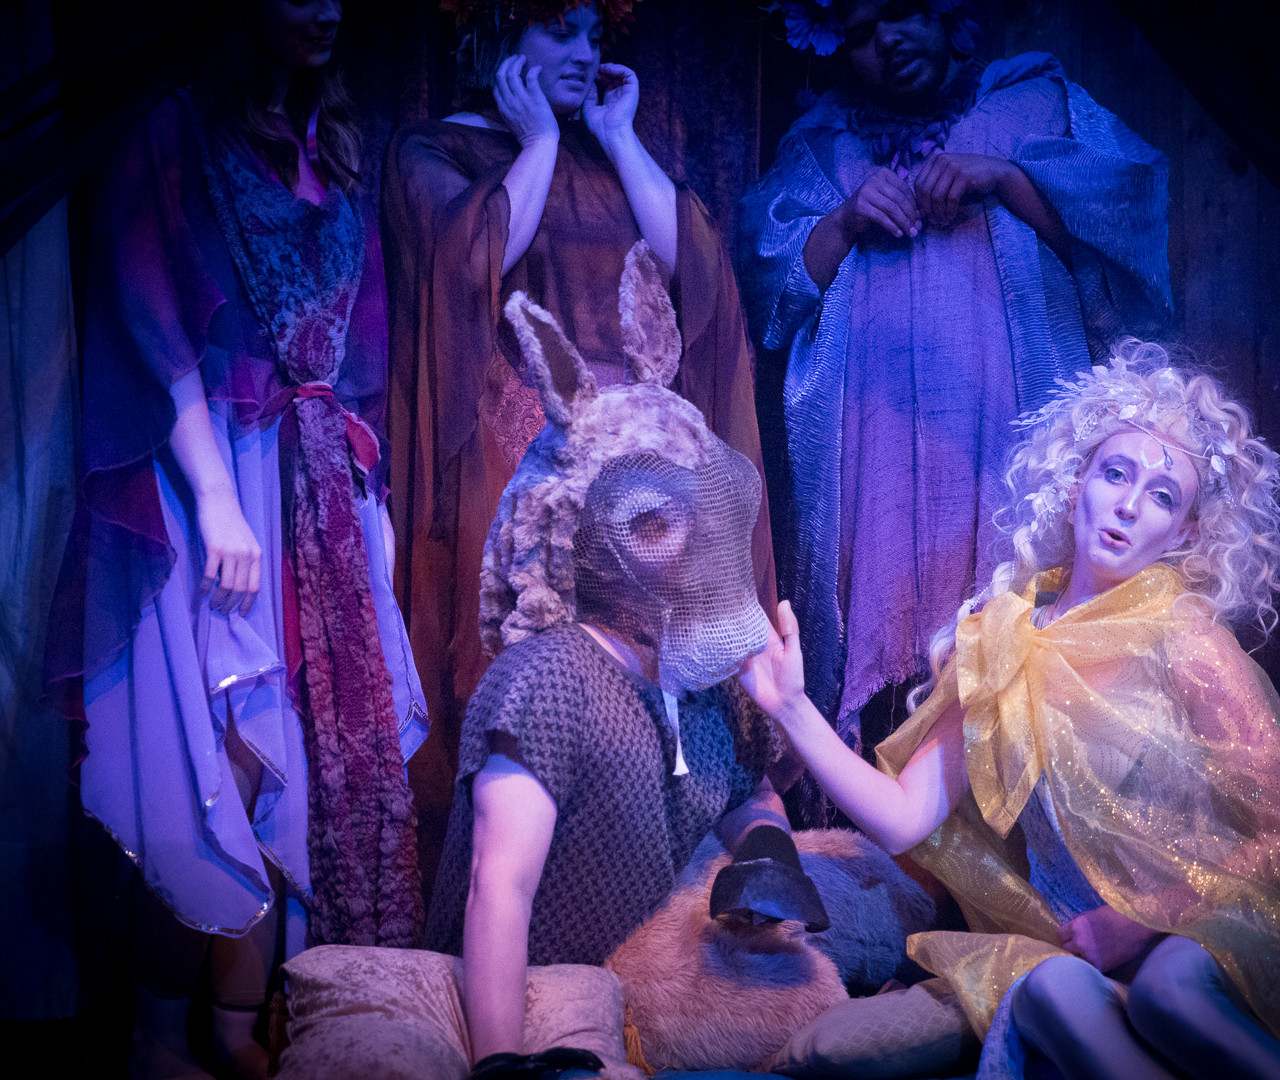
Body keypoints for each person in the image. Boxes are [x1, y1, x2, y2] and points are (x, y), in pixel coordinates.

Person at [739, 344, 1280, 1079]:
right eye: (1115, 473)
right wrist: (793, 708)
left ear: (1184, 533)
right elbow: (904, 817)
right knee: (1046, 988)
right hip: (1079, 951)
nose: (1129, 505)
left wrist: (1137, 923)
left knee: (1168, 990)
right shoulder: (1003, 641)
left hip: (1205, 932)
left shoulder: (1187, 643)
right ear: (1075, 484)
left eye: (1163, 496)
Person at [45, 2, 426, 1075]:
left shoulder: (334, 146)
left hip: (318, 487)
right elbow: (148, 306)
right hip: (220, 467)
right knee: (212, 758)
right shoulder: (178, 129)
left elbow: (358, 350)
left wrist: (370, 512)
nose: (325, 8)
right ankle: (158, 1033)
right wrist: (214, 490)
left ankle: (238, 1023)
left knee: (291, 758)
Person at [381, 0, 776, 877]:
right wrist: (536, 143)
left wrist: (619, 137)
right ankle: (523, 882)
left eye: (595, 35)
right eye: (561, 30)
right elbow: (472, 262)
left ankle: (667, 866)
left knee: (659, 661)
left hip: (637, 459)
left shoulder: (608, 156)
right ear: (497, 31)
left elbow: (696, 272)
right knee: (533, 662)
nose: (584, 52)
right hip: (520, 451)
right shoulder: (434, 149)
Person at [739, 0, 1172, 748]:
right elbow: (766, 299)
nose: (888, 41)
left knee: (1017, 633)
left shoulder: (1035, 104)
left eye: (901, 12)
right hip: (871, 455)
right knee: (882, 652)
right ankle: (875, 803)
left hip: (1009, 429)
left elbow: (1119, 251)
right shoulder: (821, 150)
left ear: (946, 11)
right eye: (861, 34)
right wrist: (841, 220)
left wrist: (1007, 179)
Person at [425, 249, 798, 1076]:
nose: (686, 545)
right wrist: (501, 1062)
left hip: (637, 995)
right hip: (533, 1006)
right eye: (651, 524)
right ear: (582, 533)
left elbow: (748, 790)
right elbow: (498, 886)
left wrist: (764, 854)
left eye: (690, 517)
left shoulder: (704, 674)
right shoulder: (548, 680)